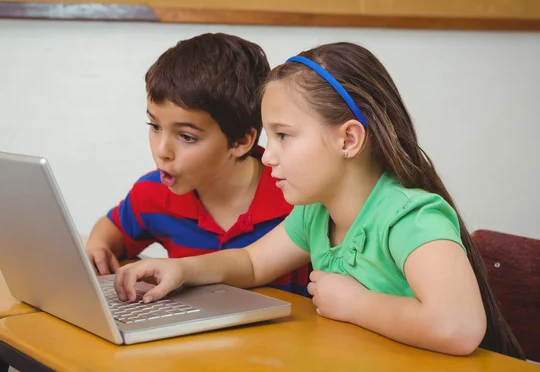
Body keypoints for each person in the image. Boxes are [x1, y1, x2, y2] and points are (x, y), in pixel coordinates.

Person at [113, 42, 524, 358]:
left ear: (348, 139)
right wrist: (179, 269)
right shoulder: (315, 214)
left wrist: (355, 304)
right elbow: (252, 263)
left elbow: (459, 327)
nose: (268, 154)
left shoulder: (410, 218)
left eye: (284, 136)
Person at [85, 33, 310, 296]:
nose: (162, 151)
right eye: (155, 126)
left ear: (240, 140)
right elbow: (114, 227)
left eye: (186, 137)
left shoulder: (298, 195)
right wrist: (98, 244)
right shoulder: (154, 193)